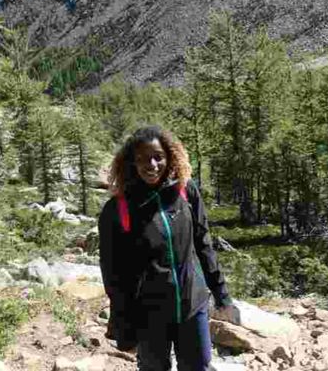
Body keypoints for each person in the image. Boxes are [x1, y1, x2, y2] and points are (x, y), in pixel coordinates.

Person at [99, 126, 237, 371]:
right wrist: (123, 326)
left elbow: (203, 245)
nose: (151, 165)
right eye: (141, 159)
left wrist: (222, 295)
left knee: (198, 367)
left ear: (169, 156)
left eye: (157, 157)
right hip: (148, 313)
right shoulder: (117, 209)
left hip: (191, 304)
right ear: (131, 163)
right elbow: (113, 275)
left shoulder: (185, 191)